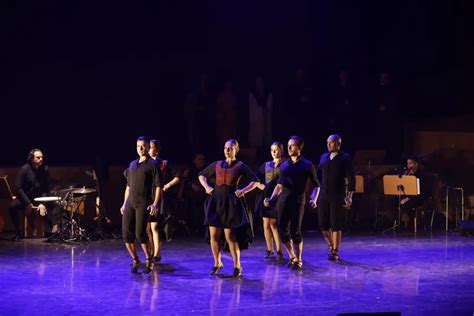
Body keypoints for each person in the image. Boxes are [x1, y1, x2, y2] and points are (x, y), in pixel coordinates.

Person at [198, 139, 259, 278]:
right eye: (226, 148)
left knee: (230, 236)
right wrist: (207, 187)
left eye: (230, 148)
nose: (227, 150)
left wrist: (243, 190)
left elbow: (255, 181)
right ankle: (217, 262)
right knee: (214, 235)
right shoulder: (217, 164)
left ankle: (237, 265)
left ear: (236, 150)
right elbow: (201, 175)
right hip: (216, 201)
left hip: (231, 202)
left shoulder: (240, 165)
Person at [264, 136, 320, 270]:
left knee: (296, 231)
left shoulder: (307, 165)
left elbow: (316, 185)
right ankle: (292, 256)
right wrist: (271, 199)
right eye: (288, 145)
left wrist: (314, 199)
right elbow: (279, 185)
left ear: (299, 147)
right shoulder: (284, 165)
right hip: (283, 201)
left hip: (298, 200)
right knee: (283, 231)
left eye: (292, 145)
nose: (289, 148)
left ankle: (299, 259)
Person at [121, 136, 163, 274]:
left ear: (147, 147)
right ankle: (135, 259)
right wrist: (124, 203)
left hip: (143, 203)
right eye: (138, 146)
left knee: (140, 233)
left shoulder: (153, 165)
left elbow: (158, 186)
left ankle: (149, 259)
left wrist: (155, 204)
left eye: (143, 146)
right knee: (126, 234)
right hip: (130, 202)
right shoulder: (132, 165)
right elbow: (128, 186)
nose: (140, 148)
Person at [9, 149, 61, 241]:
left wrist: (42, 203)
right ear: (31, 158)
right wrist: (28, 203)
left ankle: (54, 230)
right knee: (12, 206)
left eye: (42, 157)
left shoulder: (44, 169)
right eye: (38, 157)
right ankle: (19, 232)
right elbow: (18, 188)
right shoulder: (24, 169)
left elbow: (45, 189)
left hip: (39, 198)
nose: (41, 159)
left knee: (57, 204)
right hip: (26, 199)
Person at [317, 134, 355, 261]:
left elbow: (351, 179)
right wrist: (314, 195)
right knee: (323, 224)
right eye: (327, 142)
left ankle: (335, 251)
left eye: (331, 142)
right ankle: (331, 246)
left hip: (337, 196)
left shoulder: (345, 158)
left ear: (338, 144)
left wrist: (349, 196)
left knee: (336, 224)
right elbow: (317, 177)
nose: (328, 144)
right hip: (323, 195)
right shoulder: (323, 157)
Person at [147, 139, 181, 264]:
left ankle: (156, 254)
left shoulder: (163, 163)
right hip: (146, 197)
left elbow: (178, 176)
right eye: (148, 147)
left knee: (155, 226)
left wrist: (166, 186)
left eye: (151, 147)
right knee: (147, 229)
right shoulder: (145, 163)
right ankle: (151, 252)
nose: (149, 149)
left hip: (159, 198)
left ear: (156, 149)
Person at [254, 142, 284, 260]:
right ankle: (269, 249)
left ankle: (279, 250)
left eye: (276, 150)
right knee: (266, 224)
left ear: (281, 151)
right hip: (265, 195)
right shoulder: (266, 165)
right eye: (272, 150)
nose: (274, 152)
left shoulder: (284, 165)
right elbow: (255, 176)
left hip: (276, 196)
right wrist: (259, 185)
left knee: (273, 224)